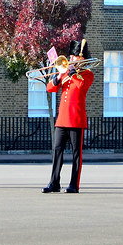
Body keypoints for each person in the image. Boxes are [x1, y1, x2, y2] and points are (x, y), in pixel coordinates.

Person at [43, 40, 95, 193]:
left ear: (82, 58)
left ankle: (74, 184)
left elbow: (80, 87)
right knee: (57, 151)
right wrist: (57, 78)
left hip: (76, 119)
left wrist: (74, 74)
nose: (72, 59)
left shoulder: (87, 74)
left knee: (76, 154)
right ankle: (54, 182)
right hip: (62, 119)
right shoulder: (65, 71)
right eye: (71, 56)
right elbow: (50, 88)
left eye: (75, 57)